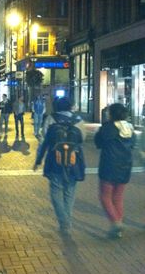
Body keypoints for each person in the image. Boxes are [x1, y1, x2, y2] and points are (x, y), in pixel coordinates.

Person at [33, 97, 86, 235]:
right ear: (70, 106)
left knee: (56, 191)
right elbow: (82, 139)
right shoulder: (78, 120)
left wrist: (38, 161)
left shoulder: (51, 119)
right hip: (74, 162)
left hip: (55, 161)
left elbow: (45, 139)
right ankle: (66, 222)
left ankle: (64, 222)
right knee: (69, 193)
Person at [94, 103, 135, 239]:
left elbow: (98, 143)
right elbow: (132, 145)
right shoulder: (129, 128)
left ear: (112, 114)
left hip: (109, 166)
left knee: (105, 196)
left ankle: (116, 222)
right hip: (125, 166)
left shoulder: (108, 128)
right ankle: (118, 228)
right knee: (118, 197)